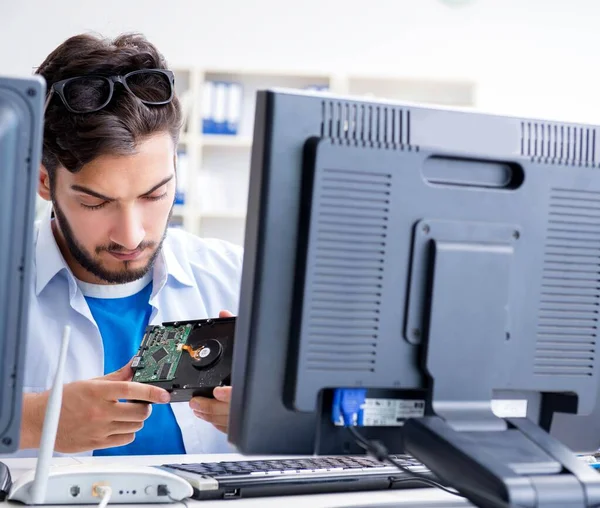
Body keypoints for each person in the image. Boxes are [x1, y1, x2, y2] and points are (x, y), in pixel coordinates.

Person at [16, 33, 241, 457]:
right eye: (95, 202)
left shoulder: (239, 278)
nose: (132, 235)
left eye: (155, 195)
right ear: (45, 182)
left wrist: (277, 416)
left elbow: (358, 427)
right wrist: (28, 421)